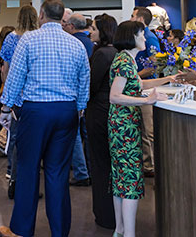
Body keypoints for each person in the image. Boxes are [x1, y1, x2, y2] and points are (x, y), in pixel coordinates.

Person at [0, 0, 90, 237]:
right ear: (63, 18)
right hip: (66, 111)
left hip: (36, 111)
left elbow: (15, 77)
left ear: (41, 15)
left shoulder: (28, 39)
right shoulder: (76, 44)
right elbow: (84, 81)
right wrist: (79, 108)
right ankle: (60, 231)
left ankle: (21, 230)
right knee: (58, 172)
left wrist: (6, 109)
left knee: (28, 169)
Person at [108, 20, 175, 237]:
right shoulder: (125, 62)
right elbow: (115, 96)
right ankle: (129, 234)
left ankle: (120, 230)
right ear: (132, 37)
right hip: (124, 128)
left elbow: (138, 85)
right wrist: (146, 102)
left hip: (122, 126)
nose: (145, 38)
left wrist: (168, 80)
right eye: (141, 35)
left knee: (121, 179)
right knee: (129, 181)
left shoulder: (126, 60)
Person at [0, 4, 38, 198]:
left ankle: (12, 172)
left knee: (14, 136)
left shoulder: (11, 39)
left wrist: (8, 92)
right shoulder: (39, 38)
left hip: (17, 96)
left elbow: (5, 69)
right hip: (36, 95)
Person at [85, 14, 118, 230]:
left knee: (100, 164)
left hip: (98, 113)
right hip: (109, 112)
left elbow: (91, 85)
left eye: (94, 28)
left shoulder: (103, 54)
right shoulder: (116, 53)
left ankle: (104, 214)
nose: (91, 32)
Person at [129, 6, 161, 177]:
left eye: (133, 16)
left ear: (141, 19)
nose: (131, 19)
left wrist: (134, 76)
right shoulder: (139, 37)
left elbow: (154, 65)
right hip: (139, 87)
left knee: (148, 130)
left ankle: (151, 166)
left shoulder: (149, 38)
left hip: (146, 88)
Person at [63, 12, 92, 187]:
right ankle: (86, 169)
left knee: (74, 134)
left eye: (66, 24)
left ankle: (81, 172)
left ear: (72, 26)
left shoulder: (73, 44)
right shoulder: (90, 44)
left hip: (74, 96)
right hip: (86, 96)